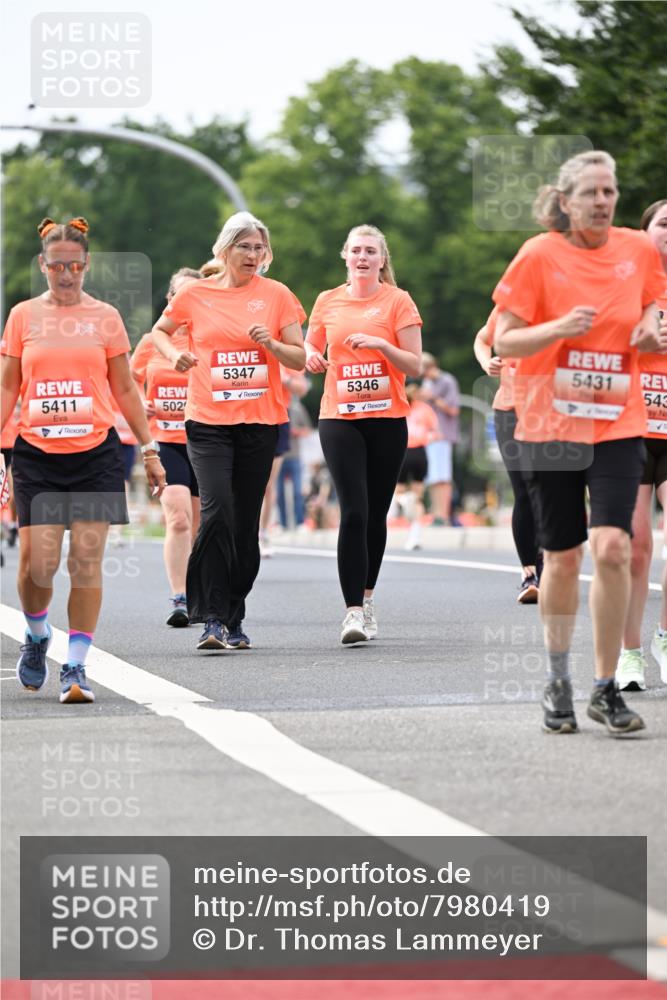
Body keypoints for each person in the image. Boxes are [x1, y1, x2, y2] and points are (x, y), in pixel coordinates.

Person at [493, 151, 666, 736]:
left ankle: (605, 685)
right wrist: (557, 329)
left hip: (618, 420)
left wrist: (648, 326)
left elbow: (652, 305)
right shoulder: (540, 255)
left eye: (610, 191)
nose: (603, 201)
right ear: (565, 202)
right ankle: (558, 678)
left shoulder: (638, 249)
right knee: (563, 558)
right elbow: (506, 342)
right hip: (550, 423)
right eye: (591, 192)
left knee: (614, 547)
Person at [0, 217, 165, 704]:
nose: (67, 274)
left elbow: (125, 389)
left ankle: (75, 667)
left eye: (75, 265)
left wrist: (150, 448)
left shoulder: (106, 318)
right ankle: (35, 636)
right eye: (57, 266)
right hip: (38, 454)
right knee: (37, 566)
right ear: (42, 265)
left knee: (86, 561)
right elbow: (9, 386)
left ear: (87, 264)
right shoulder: (23, 316)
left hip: (95, 453)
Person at [151, 211, 306, 651]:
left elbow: (298, 357)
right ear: (226, 249)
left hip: (260, 424)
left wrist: (272, 345)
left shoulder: (277, 296)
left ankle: (234, 614)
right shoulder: (195, 294)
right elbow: (160, 333)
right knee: (216, 511)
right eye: (245, 247)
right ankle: (212, 618)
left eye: (259, 248)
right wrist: (174, 356)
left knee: (243, 528)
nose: (253, 255)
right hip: (208, 423)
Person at [305, 224, 422, 644]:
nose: (362, 257)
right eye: (355, 250)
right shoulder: (327, 301)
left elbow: (414, 366)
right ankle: (352, 611)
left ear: (381, 259)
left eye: (370, 251)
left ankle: (368, 598)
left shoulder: (397, 301)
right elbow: (309, 347)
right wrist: (312, 357)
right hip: (339, 417)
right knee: (352, 510)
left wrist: (380, 345)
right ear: (345, 256)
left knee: (375, 513)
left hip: (387, 418)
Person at [131, 267, 202, 626]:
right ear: (171, 299)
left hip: (207, 441)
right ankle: (180, 597)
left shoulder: (211, 338)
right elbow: (126, 381)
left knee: (202, 525)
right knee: (177, 518)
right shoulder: (152, 341)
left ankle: (202, 591)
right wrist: (137, 404)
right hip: (166, 442)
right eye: (180, 295)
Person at [617, 199, 667, 690]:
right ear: (644, 231)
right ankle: (630, 652)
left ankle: (664, 638)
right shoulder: (625, 281)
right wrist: (641, 341)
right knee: (637, 548)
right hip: (632, 426)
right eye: (664, 223)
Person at [474, 306, 542, 602]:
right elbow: (481, 339)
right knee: (524, 489)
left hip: (553, 410)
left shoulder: (569, 297)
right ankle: (530, 574)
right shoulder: (510, 305)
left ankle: (551, 565)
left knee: (549, 488)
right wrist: (486, 362)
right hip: (509, 410)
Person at [395, 380, 439, 551]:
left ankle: (403, 499)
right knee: (418, 497)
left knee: (397, 491)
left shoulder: (398, 404)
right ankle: (415, 536)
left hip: (402, 451)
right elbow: (435, 431)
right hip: (420, 453)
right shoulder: (424, 409)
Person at [420, 353, 460, 525]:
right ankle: (436, 514)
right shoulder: (427, 382)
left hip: (442, 434)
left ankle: (443, 515)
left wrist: (433, 398)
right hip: (429, 435)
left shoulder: (447, 381)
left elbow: (453, 409)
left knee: (443, 478)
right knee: (433, 478)